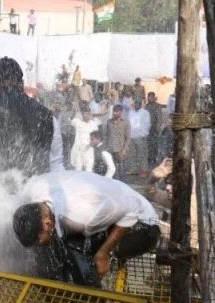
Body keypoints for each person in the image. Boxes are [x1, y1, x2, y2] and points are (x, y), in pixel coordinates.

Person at [12, 170, 160, 288]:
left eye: (38, 241)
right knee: (52, 248)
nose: (37, 244)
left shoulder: (83, 217)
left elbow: (133, 207)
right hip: (110, 209)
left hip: (143, 226)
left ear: (47, 223)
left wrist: (104, 252)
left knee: (75, 248)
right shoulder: (34, 189)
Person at [69, 107, 99, 171]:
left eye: (87, 113)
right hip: (78, 149)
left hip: (89, 149)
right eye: (83, 113)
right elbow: (71, 119)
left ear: (90, 114)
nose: (85, 115)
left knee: (89, 170)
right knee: (78, 169)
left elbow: (97, 137)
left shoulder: (93, 124)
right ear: (81, 114)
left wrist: (92, 143)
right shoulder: (77, 121)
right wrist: (73, 110)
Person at [105, 105, 130, 181]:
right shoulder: (109, 122)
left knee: (122, 171)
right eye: (114, 111)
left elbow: (128, 138)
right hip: (111, 149)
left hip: (120, 150)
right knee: (112, 169)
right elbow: (107, 135)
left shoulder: (125, 122)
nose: (114, 113)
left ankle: (123, 184)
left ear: (121, 112)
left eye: (116, 111)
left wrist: (124, 150)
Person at [126, 98, 151, 176]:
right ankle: (133, 169)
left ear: (141, 104)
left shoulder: (145, 112)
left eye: (138, 103)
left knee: (142, 154)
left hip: (141, 136)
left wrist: (144, 134)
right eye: (135, 103)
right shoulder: (130, 112)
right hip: (131, 136)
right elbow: (128, 123)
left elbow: (148, 124)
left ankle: (144, 170)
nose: (136, 105)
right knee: (132, 154)